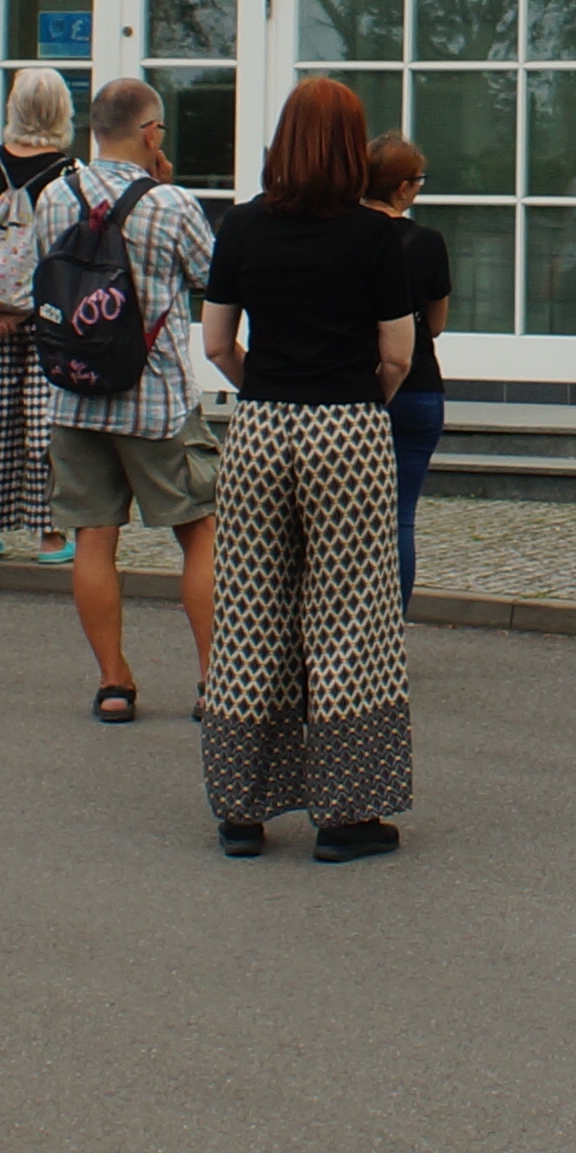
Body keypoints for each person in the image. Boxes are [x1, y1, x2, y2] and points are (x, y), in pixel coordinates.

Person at [197, 78, 419, 861]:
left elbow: (216, 342)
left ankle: (241, 808)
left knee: (251, 608)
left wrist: (265, 383)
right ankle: (345, 815)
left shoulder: (241, 226)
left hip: (260, 426)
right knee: (350, 616)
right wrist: (359, 399)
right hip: (348, 427)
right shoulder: (375, 236)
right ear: (353, 149)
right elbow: (399, 353)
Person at [42, 78, 224, 718]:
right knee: (200, 531)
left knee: (93, 536)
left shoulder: (55, 196)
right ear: (151, 133)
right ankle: (214, 682)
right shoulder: (170, 203)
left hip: (73, 394)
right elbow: (213, 276)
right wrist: (162, 185)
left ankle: (113, 683)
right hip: (156, 401)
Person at [0, 64, 82, 563]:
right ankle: (50, 535)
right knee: (43, 422)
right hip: (45, 315)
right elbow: (67, 252)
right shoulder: (71, 174)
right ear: (62, 111)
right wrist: (26, 308)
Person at [369, 131, 453, 601]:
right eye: (418, 182)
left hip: (357, 383)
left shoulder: (344, 235)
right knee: (400, 518)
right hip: (417, 385)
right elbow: (435, 324)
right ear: (402, 188)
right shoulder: (425, 241)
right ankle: (391, 623)